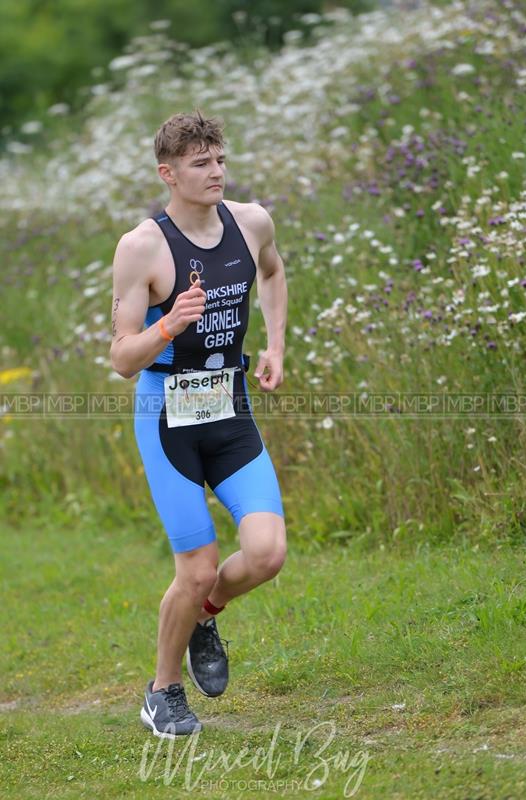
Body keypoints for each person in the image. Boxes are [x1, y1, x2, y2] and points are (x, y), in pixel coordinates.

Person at [109, 110, 288, 737]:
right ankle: (162, 692)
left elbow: (271, 270)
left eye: (220, 159)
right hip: (167, 419)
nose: (216, 172)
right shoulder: (142, 248)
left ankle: (203, 618)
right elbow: (122, 358)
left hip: (230, 406)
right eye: (199, 163)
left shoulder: (251, 221)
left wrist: (275, 345)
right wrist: (168, 325)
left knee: (267, 554)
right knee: (198, 566)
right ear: (168, 173)